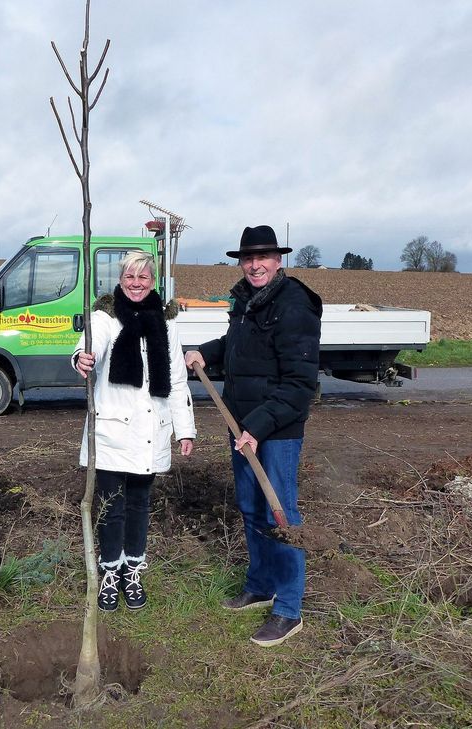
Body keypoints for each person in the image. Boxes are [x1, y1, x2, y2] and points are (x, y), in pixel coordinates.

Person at [184, 225, 322, 647]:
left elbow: (300, 383)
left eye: (263, 258)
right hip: (240, 424)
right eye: (248, 258)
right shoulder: (246, 300)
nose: (255, 265)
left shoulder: (294, 304)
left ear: (278, 261)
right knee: (250, 507)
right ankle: (261, 585)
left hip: (274, 431)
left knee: (281, 513)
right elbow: (237, 345)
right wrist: (206, 352)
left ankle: (289, 608)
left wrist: (258, 428)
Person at [72, 250, 196, 612]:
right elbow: (90, 344)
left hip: (150, 430)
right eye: (130, 276)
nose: (136, 283)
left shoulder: (167, 322)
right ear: (121, 279)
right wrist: (82, 357)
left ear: (153, 281)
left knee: (140, 505)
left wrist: (184, 430)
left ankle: (133, 571)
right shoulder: (106, 315)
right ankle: (110, 573)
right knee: (112, 506)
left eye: (143, 277)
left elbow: (175, 377)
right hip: (112, 431)